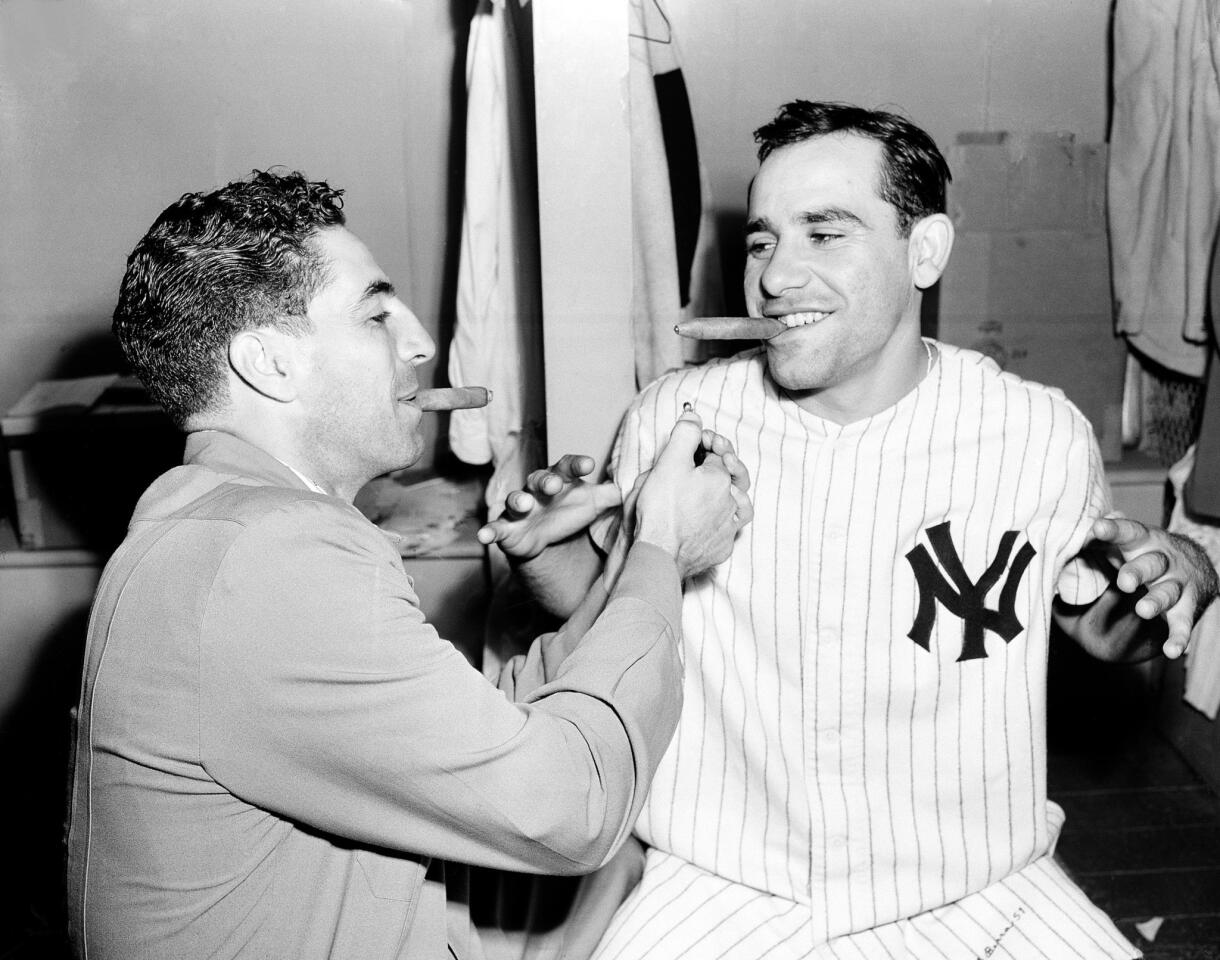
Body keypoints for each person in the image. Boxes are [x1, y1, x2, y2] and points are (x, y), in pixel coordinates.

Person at [478, 101, 1220, 959]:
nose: (776, 276)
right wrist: (551, 556)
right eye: (762, 241)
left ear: (925, 250)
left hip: (973, 890)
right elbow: (614, 622)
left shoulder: (1037, 434)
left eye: (824, 235)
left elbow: (1100, 619)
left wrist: (1179, 575)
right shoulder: (672, 418)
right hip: (722, 883)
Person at [64, 169, 754, 960]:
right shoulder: (274, 558)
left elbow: (477, 742)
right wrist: (662, 550)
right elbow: (575, 809)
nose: (421, 341)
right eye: (376, 315)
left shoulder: (213, 520)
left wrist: (624, 561)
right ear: (269, 363)